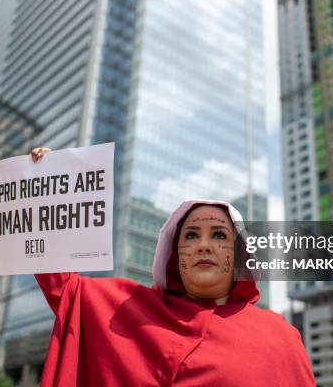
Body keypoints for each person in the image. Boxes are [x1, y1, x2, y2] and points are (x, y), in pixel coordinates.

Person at [31, 148, 315, 386]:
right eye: (191, 235)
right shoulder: (126, 308)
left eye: (219, 235)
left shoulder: (280, 335)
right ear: (175, 256)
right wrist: (47, 186)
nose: (203, 245)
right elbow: (62, 284)